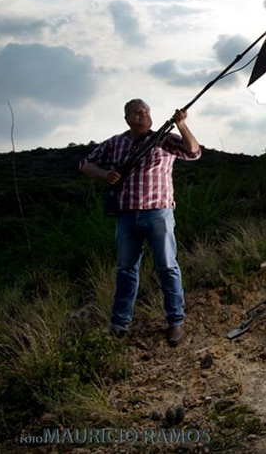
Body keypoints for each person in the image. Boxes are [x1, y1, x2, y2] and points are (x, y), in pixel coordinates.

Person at [80, 98, 201, 347]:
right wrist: (104, 174)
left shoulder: (164, 139)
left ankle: (175, 322)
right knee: (126, 270)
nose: (143, 115)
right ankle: (120, 325)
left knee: (167, 267)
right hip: (126, 215)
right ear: (127, 118)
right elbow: (84, 164)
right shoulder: (115, 143)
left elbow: (194, 152)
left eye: (146, 111)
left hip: (158, 213)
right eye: (137, 112)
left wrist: (182, 125)